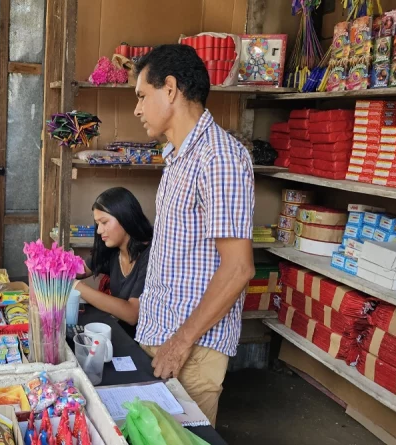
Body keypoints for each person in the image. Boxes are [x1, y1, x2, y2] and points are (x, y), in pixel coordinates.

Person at [132, 44, 255, 426]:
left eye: (141, 96)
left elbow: (238, 269)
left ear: (170, 89)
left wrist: (180, 343)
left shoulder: (218, 158)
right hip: (162, 334)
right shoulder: (178, 157)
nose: (137, 109)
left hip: (192, 348)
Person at [74, 187, 152, 338]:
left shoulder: (150, 255)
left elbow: (132, 314)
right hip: (120, 334)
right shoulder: (112, 251)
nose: (99, 230)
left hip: (143, 344)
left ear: (126, 218)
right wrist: (51, 266)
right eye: (97, 224)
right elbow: (80, 269)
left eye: (104, 222)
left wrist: (77, 286)